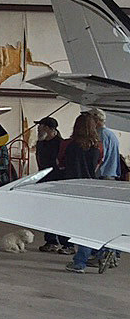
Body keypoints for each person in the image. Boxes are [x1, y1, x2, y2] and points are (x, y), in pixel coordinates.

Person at [63, 112, 106, 274]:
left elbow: (63, 165)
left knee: (80, 227)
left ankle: (80, 261)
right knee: (90, 224)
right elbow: (97, 166)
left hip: (74, 188)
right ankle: (103, 251)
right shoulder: (97, 146)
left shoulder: (71, 146)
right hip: (91, 187)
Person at [34, 117, 71, 253]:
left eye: (41, 126)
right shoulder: (40, 143)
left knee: (61, 214)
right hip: (44, 182)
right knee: (46, 214)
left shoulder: (61, 144)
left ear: (50, 129)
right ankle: (50, 241)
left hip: (58, 182)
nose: (38, 129)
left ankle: (67, 243)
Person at [89, 108, 122, 180]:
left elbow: (100, 156)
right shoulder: (110, 134)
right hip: (111, 173)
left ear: (96, 120)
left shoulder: (100, 134)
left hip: (102, 174)